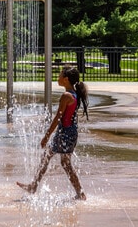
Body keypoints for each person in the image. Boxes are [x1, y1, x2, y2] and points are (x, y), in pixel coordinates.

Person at [17, 66, 89, 200]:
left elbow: (58, 118)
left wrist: (46, 136)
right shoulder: (73, 93)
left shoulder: (66, 96)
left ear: (66, 79)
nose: (58, 77)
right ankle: (80, 193)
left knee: (53, 158)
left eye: (60, 75)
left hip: (65, 132)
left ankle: (34, 186)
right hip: (69, 132)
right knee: (62, 162)